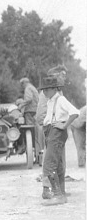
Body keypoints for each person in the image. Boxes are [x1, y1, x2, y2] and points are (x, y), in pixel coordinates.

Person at [39, 66, 79, 206]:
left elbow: (74, 112)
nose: (44, 92)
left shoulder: (60, 99)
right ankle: (61, 193)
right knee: (58, 165)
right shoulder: (51, 101)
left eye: (46, 89)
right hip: (51, 132)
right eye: (43, 90)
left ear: (54, 89)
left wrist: (64, 125)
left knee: (48, 165)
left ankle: (58, 195)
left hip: (56, 132)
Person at [18, 77, 42, 162]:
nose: (22, 87)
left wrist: (21, 105)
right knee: (36, 133)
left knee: (30, 133)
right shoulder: (33, 88)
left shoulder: (28, 88)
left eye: (22, 85)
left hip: (29, 112)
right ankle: (38, 155)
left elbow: (29, 99)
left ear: (24, 83)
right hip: (35, 111)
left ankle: (24, 146)